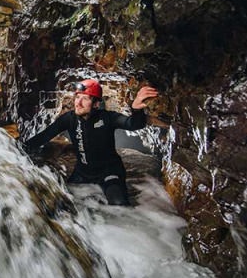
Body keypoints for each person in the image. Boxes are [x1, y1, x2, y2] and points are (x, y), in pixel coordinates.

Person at [23, 79, 158, 205]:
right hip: (83, 173)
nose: (78, 102)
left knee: (118, 203)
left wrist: (136, 109)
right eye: (77, 97)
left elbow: (133, 124)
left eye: (85, 98)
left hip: (109, 171)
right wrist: (17, 148)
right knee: (63, 202)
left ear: (96, 104)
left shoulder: (107, 118)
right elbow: (44, 136)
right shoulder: (69, 119)